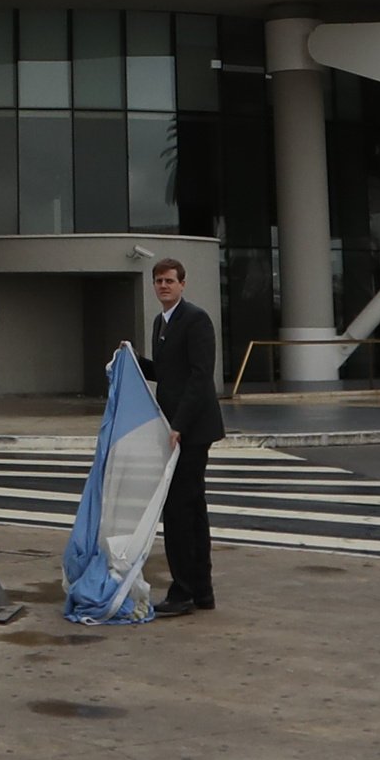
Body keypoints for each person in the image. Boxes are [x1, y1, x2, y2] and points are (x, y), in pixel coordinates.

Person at [141, 257, 225, 617]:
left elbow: (199, 376)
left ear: (182, 284)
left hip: (190, 431)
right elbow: (166, 372)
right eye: (158, 281)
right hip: (173, 429)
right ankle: (200, 591)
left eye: (169, 281)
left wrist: (179, 424)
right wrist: (131, 360)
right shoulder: (161, 323)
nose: (163, 286)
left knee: (180, 511)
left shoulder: (196, 320)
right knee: (189, 510)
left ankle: (184, 590)